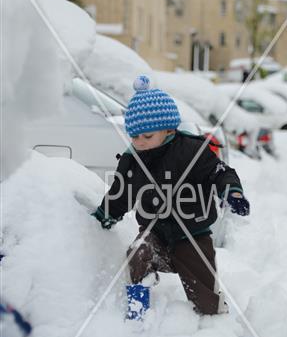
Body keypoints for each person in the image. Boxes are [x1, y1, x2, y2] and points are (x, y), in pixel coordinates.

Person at [92, 75, 250, 315]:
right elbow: (120, 192)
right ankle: (138, 308)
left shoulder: (192, 150)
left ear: (168, 129)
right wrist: (105, 215)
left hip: (192, 236)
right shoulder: (132, 160)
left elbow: (219, 173)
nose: (140, 142)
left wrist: (231, 192)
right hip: (155, 233)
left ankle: (214, 323)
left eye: (147, 136)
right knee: (138, 251)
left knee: (206, 300)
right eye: (134, 136)